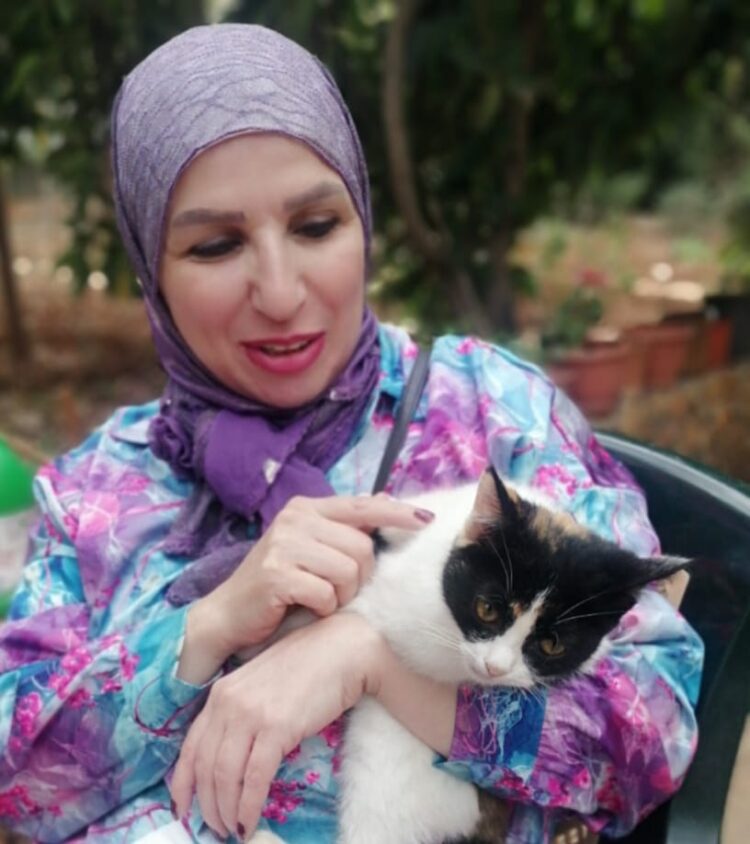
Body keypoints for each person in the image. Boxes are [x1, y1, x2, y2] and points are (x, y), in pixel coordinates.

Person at [0, 23, 702, 844]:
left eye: (315, 226)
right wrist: (203, 631)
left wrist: (367, 658)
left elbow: (656, 728)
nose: (279, 292)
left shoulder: (490, 409)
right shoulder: (96, 491)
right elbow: (15, 778)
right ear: (150, 267)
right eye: (216, 244)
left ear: (362, 219)